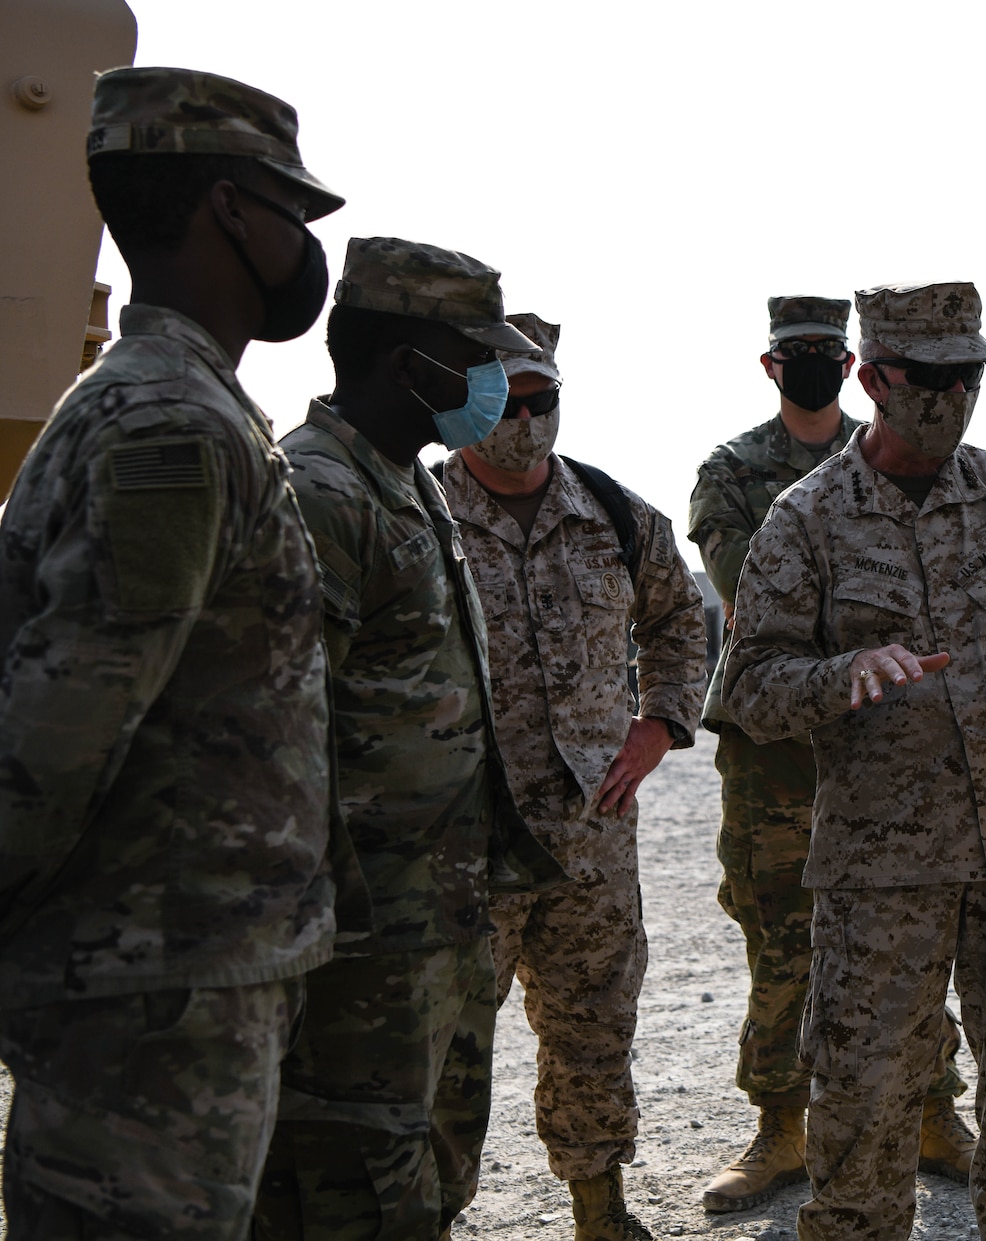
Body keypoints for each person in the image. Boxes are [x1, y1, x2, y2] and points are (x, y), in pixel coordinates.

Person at [0, 66, 357, 1238]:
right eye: (293, 214)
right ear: (225, 208)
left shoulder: (160, 400)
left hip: (165, 969)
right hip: (153, 986)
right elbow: (61, 728)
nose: (306, 247)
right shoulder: (174, 426)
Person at [721, 280, 986, 1241]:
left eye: (967, 379)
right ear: (872, 378)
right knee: (862, 1102)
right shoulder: (806, 519)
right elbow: (748, 687)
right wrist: (844, 672)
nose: (950, 398)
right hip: (880, 868)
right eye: (928, 379)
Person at [255, 237, 566, 1239]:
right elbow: (280, 737)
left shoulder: (405, 478)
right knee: (346, 1184)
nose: (492, 383)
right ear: (405, 363)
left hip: (432, 918)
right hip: (359, 939)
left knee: (428, 1177)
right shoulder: (319, 492)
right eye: (471, 357)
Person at [688, 297, 973, 1213]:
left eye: (826, 351)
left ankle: (935, 1113)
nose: (810, 363)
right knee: (781, 934)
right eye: (795, 353)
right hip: (774, 747)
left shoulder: (898, 455)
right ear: (771, 367)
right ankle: (780, 1128)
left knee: (916, 925)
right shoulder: (733, 470)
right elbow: (747, 584)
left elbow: (942, 590)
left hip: (888, 733)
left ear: (851, 363)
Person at [441, 313, 710, 1238]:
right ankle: (428, 1211)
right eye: (505, 403)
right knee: (445, 1045)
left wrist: (660, 723)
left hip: (591, 836)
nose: (525, 419)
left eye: (540, 400)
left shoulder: (615, 513)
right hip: (463, 842)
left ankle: (601, 1207)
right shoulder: (420, 510)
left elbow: (681, 622)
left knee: (595, 1028)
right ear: (465, 404)